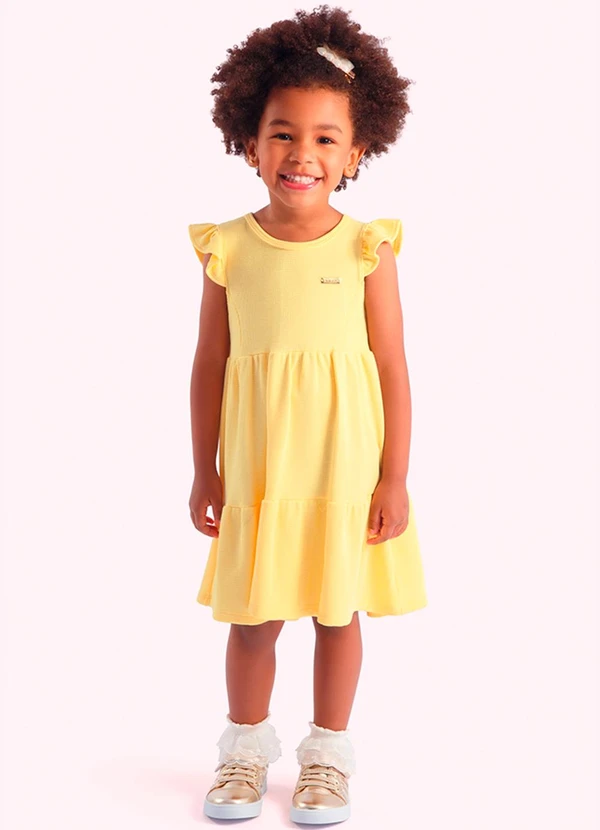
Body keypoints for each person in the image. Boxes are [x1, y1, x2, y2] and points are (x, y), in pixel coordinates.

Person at [187, 5, 428, 824]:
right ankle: (244, 751)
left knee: (336, 612)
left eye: (327, 138)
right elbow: (210, 364)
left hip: (342, 471)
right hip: (260, 471)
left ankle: (326, 758)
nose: (303, 154)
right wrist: (204, 469)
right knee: (253, 618)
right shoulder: (228, 247)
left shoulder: (368, 248)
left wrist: (394, 477)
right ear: (249, 144)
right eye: (283, 134)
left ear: (356, 152)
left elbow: (391, 366)